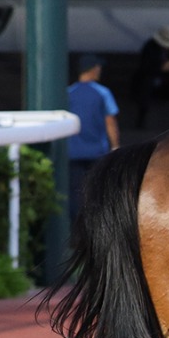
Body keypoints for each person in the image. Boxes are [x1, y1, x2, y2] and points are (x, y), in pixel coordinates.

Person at [66, 54, 119, 223]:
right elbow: (110, 121)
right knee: (97, 191)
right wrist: (116, 145)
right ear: (94, 69)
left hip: (72, 152)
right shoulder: (102, 93)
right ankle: (95, 226)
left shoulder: (69, 93)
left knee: (75, 193)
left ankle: (77, 229)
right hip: (97, 152)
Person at [133, 25, 169, 128]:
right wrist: (160, 67)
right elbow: (144, 67)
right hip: (152, 79)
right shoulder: (150, 47)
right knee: (146, 85)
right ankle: (140, 121)